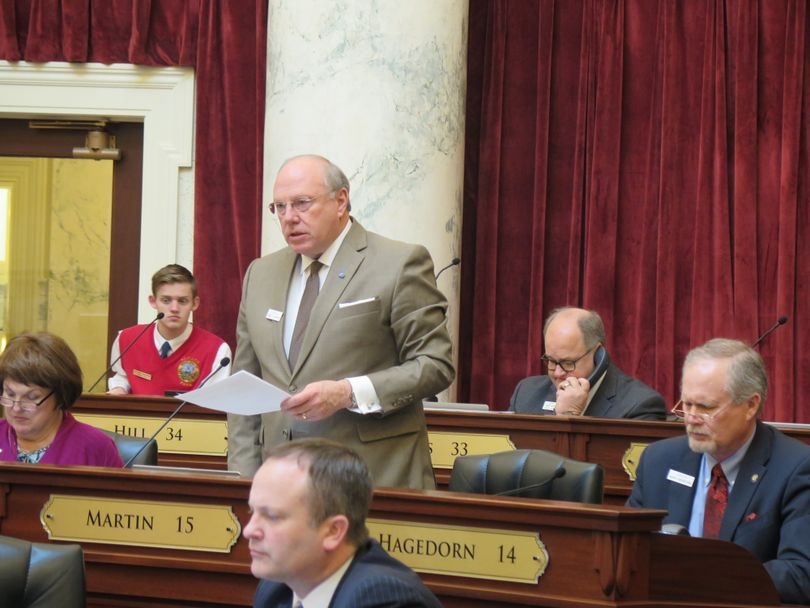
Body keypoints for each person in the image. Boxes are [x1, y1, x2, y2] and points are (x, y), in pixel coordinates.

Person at [227, 154, 454, 488]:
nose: (289, 218)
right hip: (281, 487)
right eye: (279, 207)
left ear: (340, 200)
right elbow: (245, 383)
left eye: (302, 203)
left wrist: (349, 393)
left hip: (371, 479)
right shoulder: (261, 273)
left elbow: (435, 365)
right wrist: (245, 481)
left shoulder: (399, 263)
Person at [627, 338, 810, 605]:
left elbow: (800, 574)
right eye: (686, 405)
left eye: (706, 408)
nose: (691, 418)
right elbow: (627, 549)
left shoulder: (796, 468)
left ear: (750, 405)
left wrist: (703, 577)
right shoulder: (659, 460)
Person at [245, 438, 443, 608]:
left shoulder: (383, 599)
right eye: (252, 511)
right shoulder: (277, 587)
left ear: (333, 531)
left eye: (271, 516)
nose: (249, 531)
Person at [509, 307, 665, 419]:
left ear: (598, 354)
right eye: (551, 360)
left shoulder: (640, 405)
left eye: (568, 362)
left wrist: (569, 417)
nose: (557, 373)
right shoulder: (526, 393)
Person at [0, 332, 123, 466]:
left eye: (32, 397)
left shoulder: (96, 447)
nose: (16, 408)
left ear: (60, 395)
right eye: (10, 394)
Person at [108, 264, 231, 396]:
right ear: (153, 301)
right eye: (166, 300)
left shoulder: (217, 350)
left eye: (182, 301)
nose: (174, 308)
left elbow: (213, 402)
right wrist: (119, 388)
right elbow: (123, 377)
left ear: (194, 304)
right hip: (137, 417)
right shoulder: (127, 339)